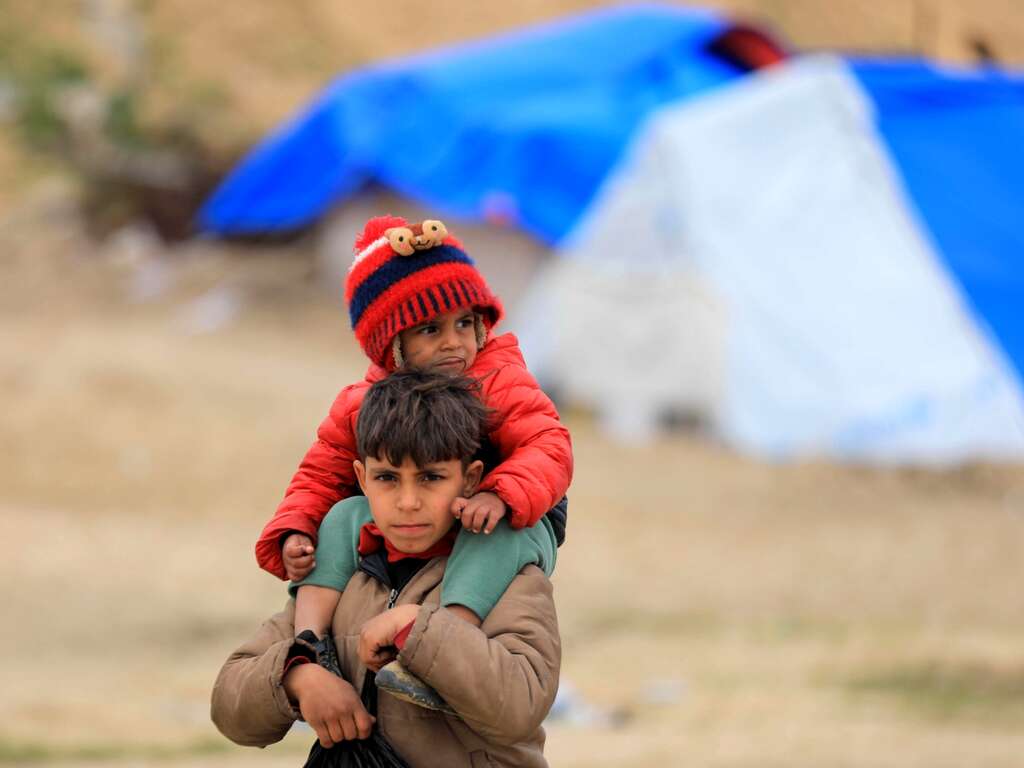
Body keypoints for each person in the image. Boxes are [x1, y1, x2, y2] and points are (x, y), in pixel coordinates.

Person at [255, 215, 572, 704]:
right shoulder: (365, 403)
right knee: (341, 515)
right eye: (430, 328)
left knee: (495, 532)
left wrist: (501, 492)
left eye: (465, 323)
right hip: (409, 522)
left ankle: (442, 642)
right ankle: (311, 642)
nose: (454, 341)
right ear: (392, 344)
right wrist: (297, 526)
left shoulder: (501, 380)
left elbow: (548, 445)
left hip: (512, 517)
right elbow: (322, 470)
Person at [211, 371, 561, 768]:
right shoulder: (343, 580)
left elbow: (519, 707)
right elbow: (229, 706)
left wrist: (418, 628)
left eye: (431, 477)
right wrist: (298, 678)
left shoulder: (512, 580)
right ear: (362, 478)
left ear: (470, 480)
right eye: (387, 478)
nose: (408, 501)